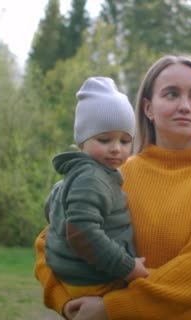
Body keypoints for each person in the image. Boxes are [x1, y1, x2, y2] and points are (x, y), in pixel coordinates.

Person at [34, 54, 191, 320]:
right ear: (148, 108)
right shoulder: (113, 172)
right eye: (171, 94)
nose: (185, 105)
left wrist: (112, 308)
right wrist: (66, 301)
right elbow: (52, 240)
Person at [43, 76, 149, 299]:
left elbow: (51, 208)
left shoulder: (80, 174)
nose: (116, 149)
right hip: (93, 280)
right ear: (82, 141)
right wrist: (127, 267)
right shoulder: (92, 178)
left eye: (124, 141)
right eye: (104, 140)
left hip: (78, 276)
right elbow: (83, 232)